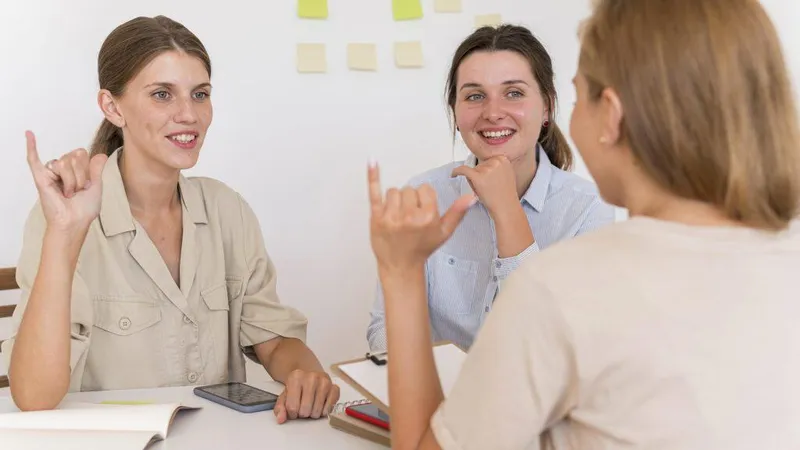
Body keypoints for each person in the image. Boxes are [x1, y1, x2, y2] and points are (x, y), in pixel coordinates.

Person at [367, 0, 800, 448]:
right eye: (474, 94)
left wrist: (401, 273)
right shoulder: (785, 260)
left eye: (579, 93)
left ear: (608, 114)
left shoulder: (563, 281)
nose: (493, 111)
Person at [2, 15, 339, 423]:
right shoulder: (62, 217)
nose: (189, 115)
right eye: (162, 94)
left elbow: (273, 338)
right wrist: (64, 236)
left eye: (200, 94)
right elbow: (33, 396)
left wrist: (306, 375)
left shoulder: (227, 210)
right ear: (112, 106)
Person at [366, 25, 615, 352]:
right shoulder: (424, 195)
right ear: (455, 112)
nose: (493, 113)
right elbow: (381, 333)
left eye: (513, 93)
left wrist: (506, 208)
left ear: (548, 107)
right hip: (437, 397)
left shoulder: (587, 210)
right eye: (474, 96)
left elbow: (556, 347)